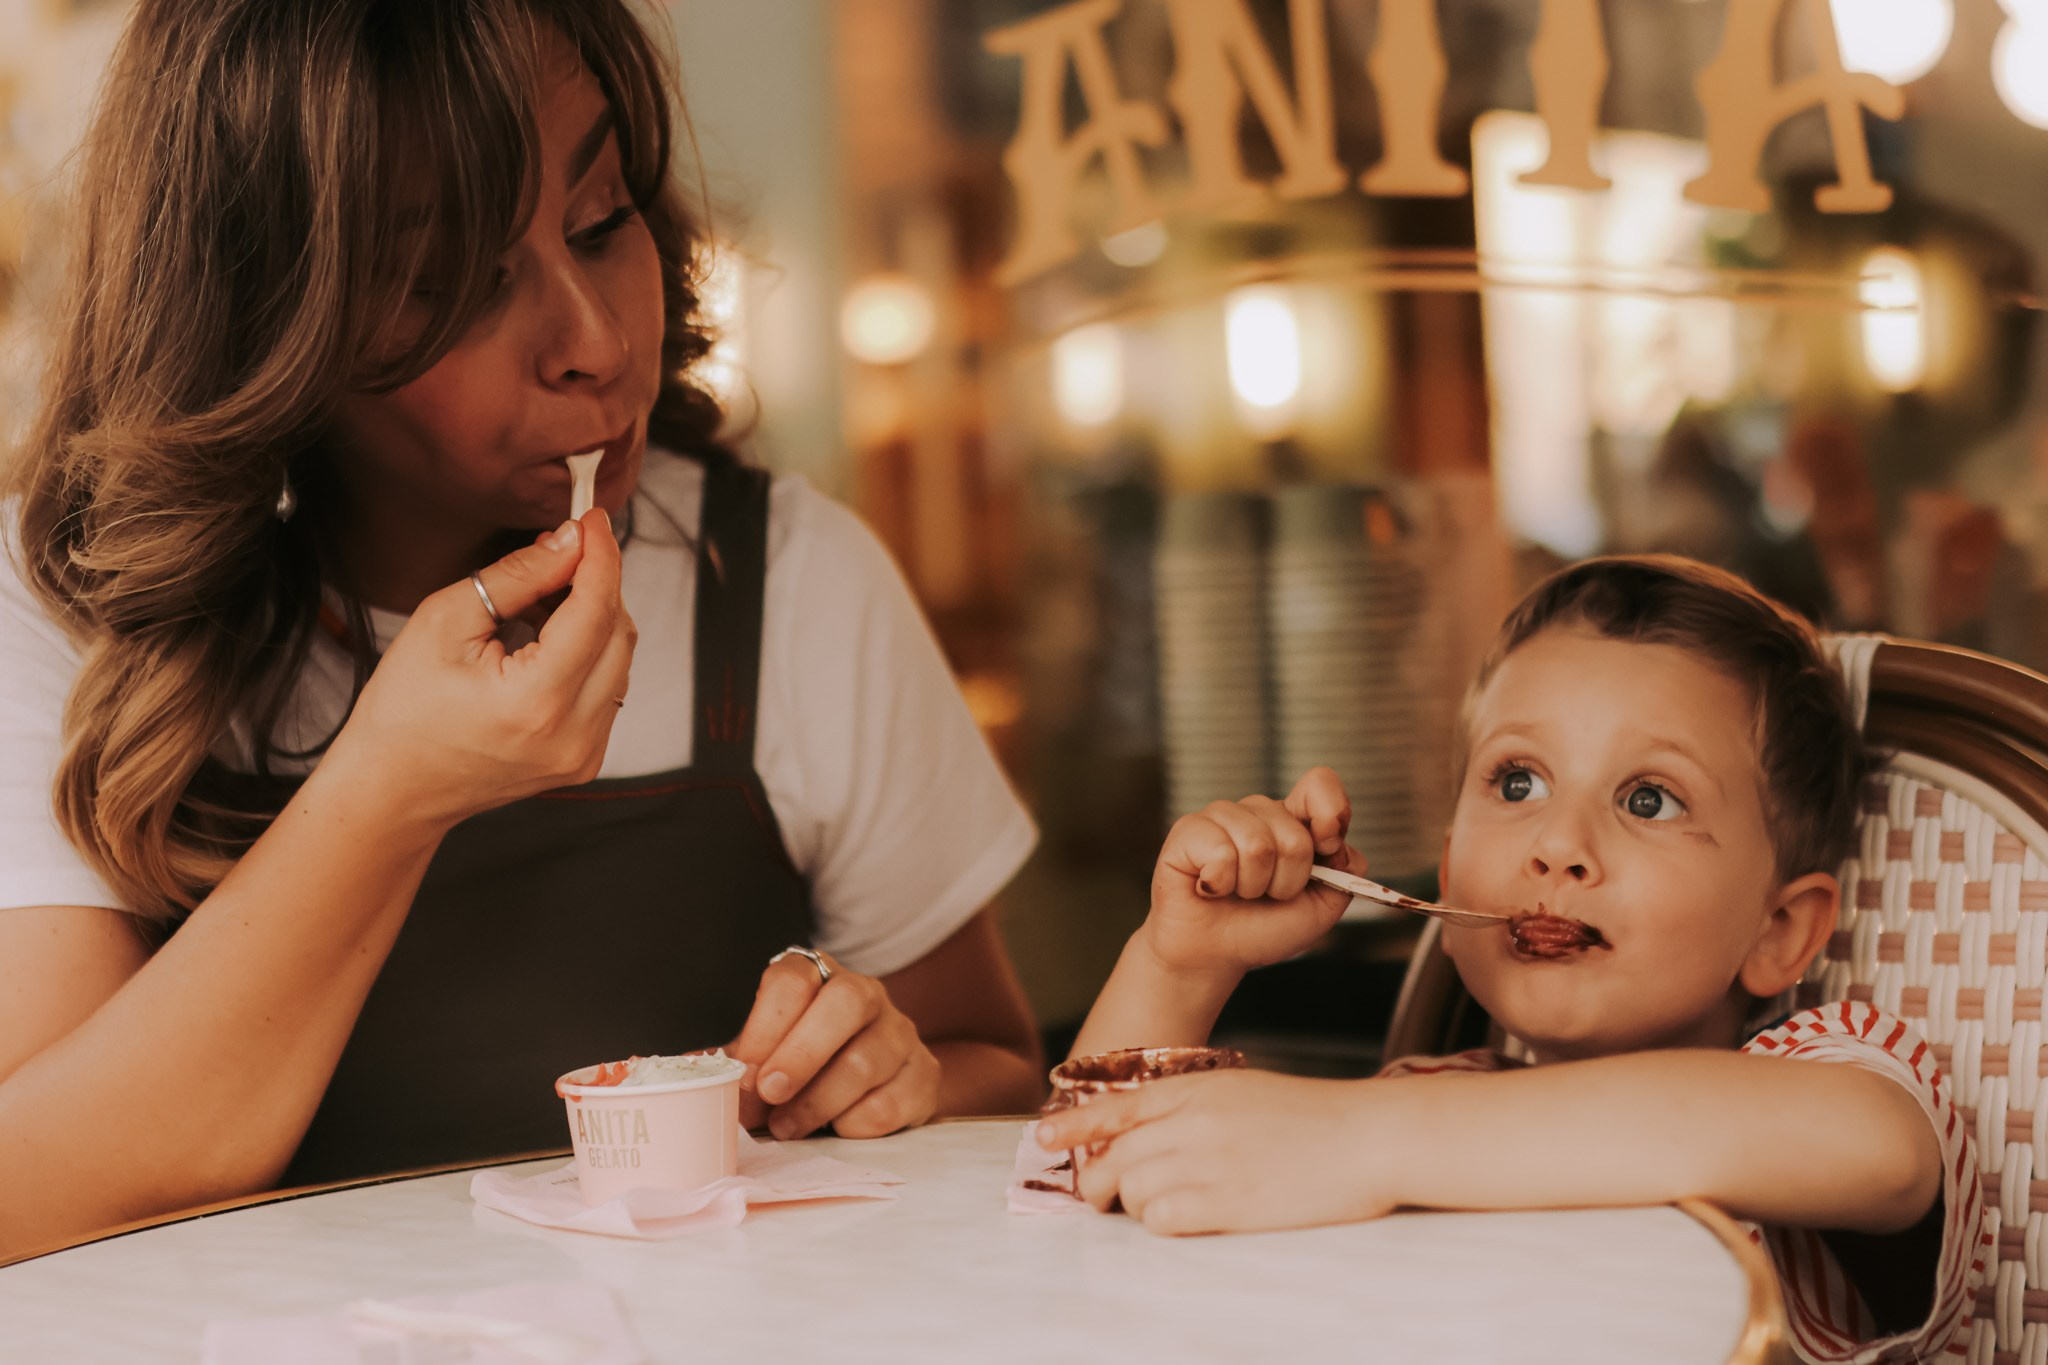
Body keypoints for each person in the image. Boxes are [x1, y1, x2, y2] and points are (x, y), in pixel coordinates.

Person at [0, 0, 1041, 1257]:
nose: (597, 345)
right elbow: (34, 1198)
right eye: (458, 287)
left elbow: (994, 1065)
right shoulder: (64, 602)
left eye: (603, 224)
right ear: (272, 326)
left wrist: (888, 1074)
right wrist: (389, 790)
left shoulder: (778, 577)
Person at [1037, 555, 1988, 1360]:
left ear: (1780, 930)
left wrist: (1356, 1137)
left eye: (1649, 799)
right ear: (1451, 861)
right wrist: (1180, 964)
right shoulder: (1414, 1094)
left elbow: (1877, 1151)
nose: (1557, 843)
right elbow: (1075, 1220)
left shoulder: (1830, 1067)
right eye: (1517, 780)